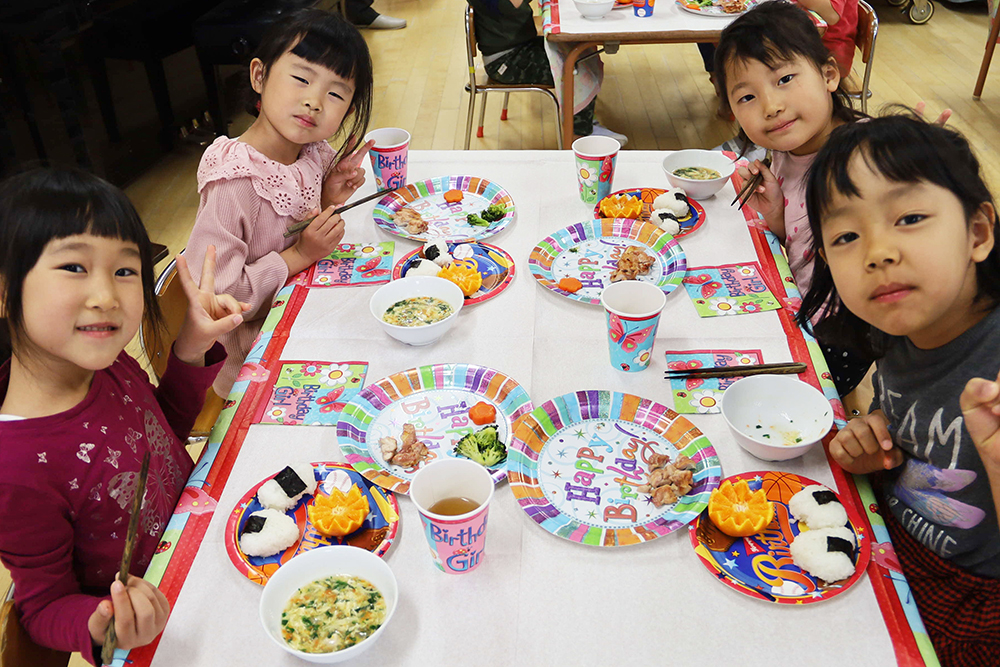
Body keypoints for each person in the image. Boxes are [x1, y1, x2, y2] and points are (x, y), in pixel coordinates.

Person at [0, 167, 240, 664]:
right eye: (73, 267)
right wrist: (101, 620)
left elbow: (164, 434)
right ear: (4, 292)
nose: (107, 296)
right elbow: (42, 608)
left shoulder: (104, 364)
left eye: (125, 270)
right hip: (168, 633)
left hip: (212, 552)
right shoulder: (13, 467)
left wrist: (192, 349)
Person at [796, 113, 1000, 665]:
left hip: (975, 609)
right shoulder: (899, 330)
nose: (877, 252)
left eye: (909, 217)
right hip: (892, 547)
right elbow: (905, 434)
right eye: (846, 235)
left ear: (977, 233)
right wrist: (875, 442)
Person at [185, 8, 375, 399]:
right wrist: (301, 255)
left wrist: (327, 196)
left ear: (348, 111)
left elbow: (286, 224)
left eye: (335, 93)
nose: (314, 101)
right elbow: (217, 300)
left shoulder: (312, 153)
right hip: (256, 364)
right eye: (301, 78)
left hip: (304, 317)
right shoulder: (235, 180)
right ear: (259, 76)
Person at [713, 1, 871, 398]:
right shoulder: (788, 146)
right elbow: (803, 243)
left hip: (835, 338)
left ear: (829, 74)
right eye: (747, 97)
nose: (771, 106)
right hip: (792, 299)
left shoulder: (863, 162)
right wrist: (779, 217)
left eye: (784, 79)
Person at [467, 0, 627, 144]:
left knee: (581, 50)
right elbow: (512, 4)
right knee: (575, 66)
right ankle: (580, 134)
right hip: (507, 62)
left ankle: (584, 121)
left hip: (518, 46)